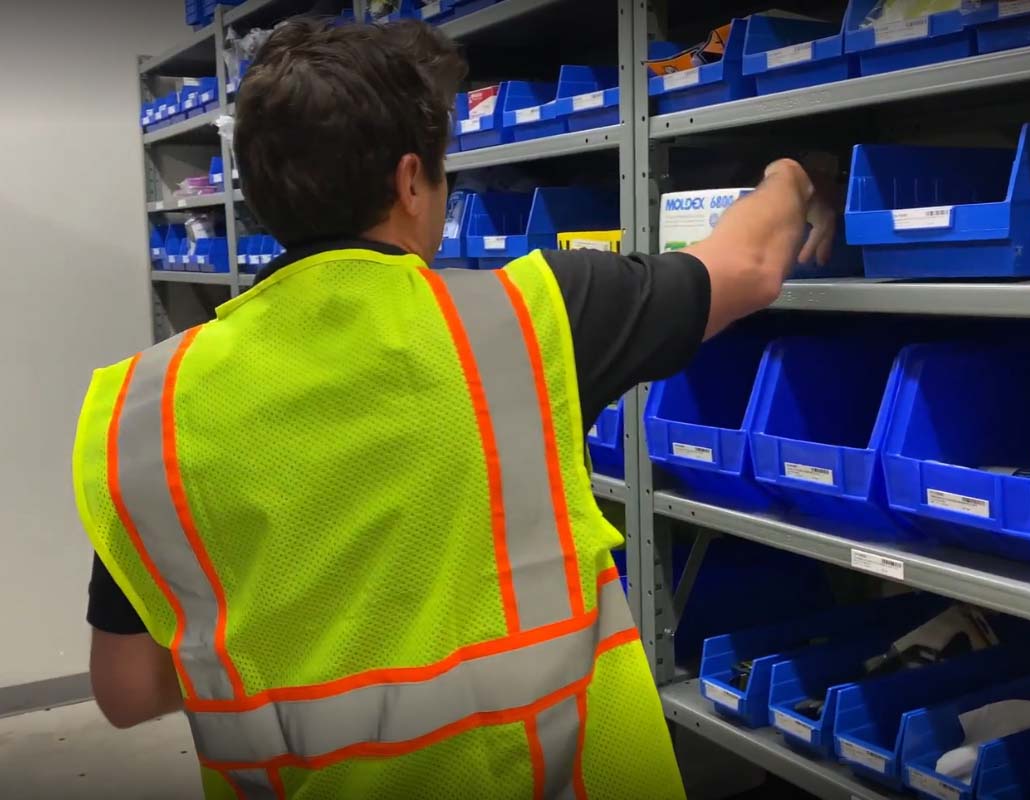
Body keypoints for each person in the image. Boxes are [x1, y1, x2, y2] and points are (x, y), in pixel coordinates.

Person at [74, 16, 836, 800]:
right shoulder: (531, 318)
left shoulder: (148, 411)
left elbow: (127, 691)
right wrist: (793, 174)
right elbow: (747, 263)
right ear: (411, 181)